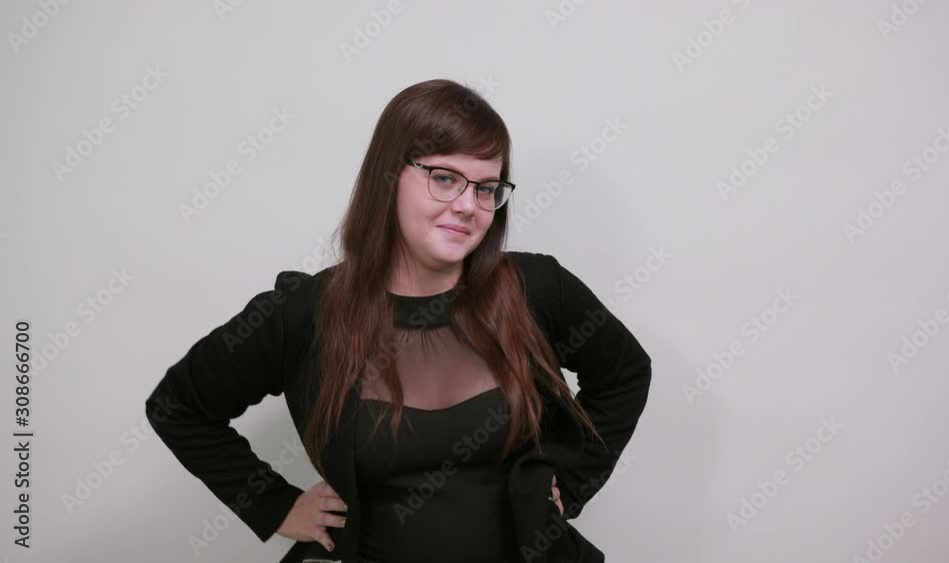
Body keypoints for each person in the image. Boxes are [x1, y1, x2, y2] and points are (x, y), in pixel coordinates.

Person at [145, 78, 652, 563]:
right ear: (389, 176)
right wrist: (274, 505)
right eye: (445, 178)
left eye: (486, 188)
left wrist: (574, 480)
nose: (468, 206)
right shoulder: (307, 312)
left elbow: (626, 373)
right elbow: (178, 406)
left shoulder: (536, 288)